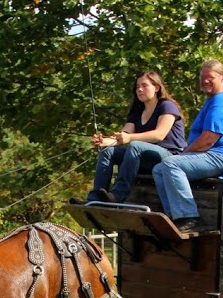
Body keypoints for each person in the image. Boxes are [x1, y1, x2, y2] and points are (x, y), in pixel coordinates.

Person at [151, 59, 223, 233]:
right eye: (202, 77)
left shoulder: (222, 101)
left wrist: (184, 154)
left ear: (222, 77)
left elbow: (208, 139)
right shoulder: (213, 100)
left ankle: (189, 217)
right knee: (158, 169)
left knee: (171, 164)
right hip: (213, 155)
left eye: (209, 77)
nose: (204, 81)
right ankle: (174, 216)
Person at [74, 71, 185, 204]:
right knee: (107, 151)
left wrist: (130, 138)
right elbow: (123, 137)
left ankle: (117, 195)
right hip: (143, 156)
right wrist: (104, 141)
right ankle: (94, 199)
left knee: (134, 145)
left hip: (169, 157)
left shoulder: (166, 106)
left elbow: (159, 135)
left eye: (144, 86)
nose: (139, 89)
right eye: (137, 86)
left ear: (156, 88)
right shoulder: (137, 112)